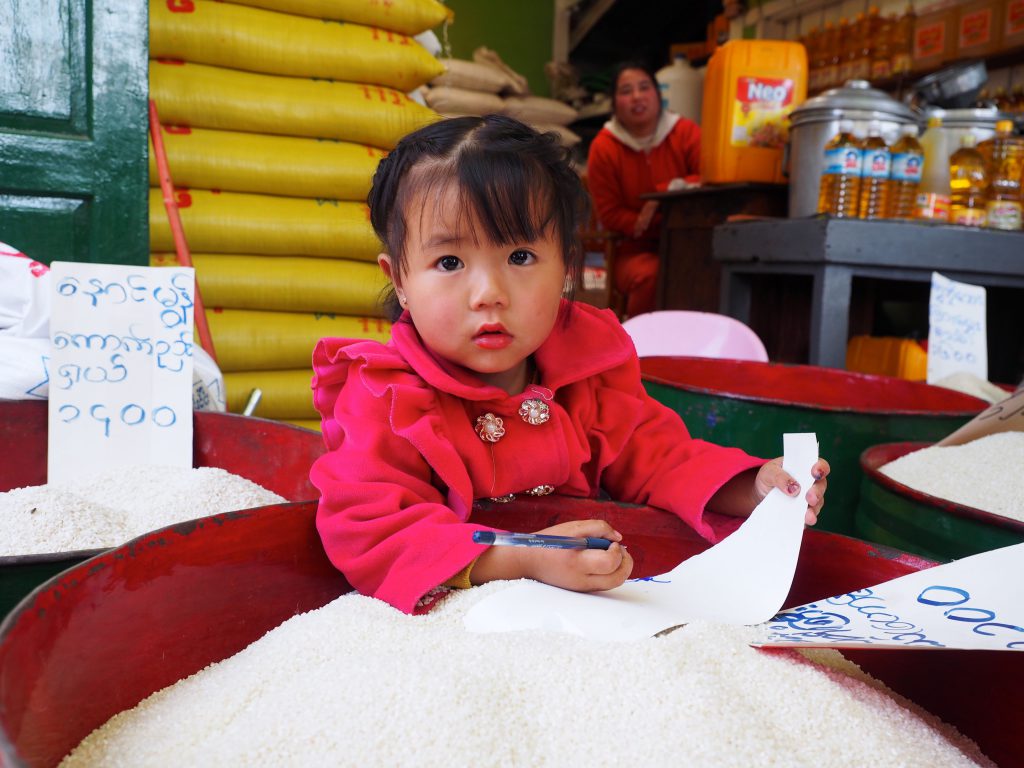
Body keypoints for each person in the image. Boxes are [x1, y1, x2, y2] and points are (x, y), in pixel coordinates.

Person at [310, 115, 828, 615]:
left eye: (520, 257)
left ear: (566, 266)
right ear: (399, 279)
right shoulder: (385, 394)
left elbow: (658, 457)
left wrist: (754, 488)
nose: (489, 294)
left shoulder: (587, 368)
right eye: (449, 263)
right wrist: (520, 556)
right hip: (452, 620)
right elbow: (371, 527)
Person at [587, 61, 701, 317]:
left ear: (658, 94)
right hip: (632, 250)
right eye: (626, 91)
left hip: (690, 243)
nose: (637, 96)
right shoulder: (604, 147)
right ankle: (641, 351)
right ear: (615, 103)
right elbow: (610, 213)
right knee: (652, 273)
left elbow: (710, 176)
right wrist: (646, 223)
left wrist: (663, 195)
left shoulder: (685, 132)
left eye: (644, 87)